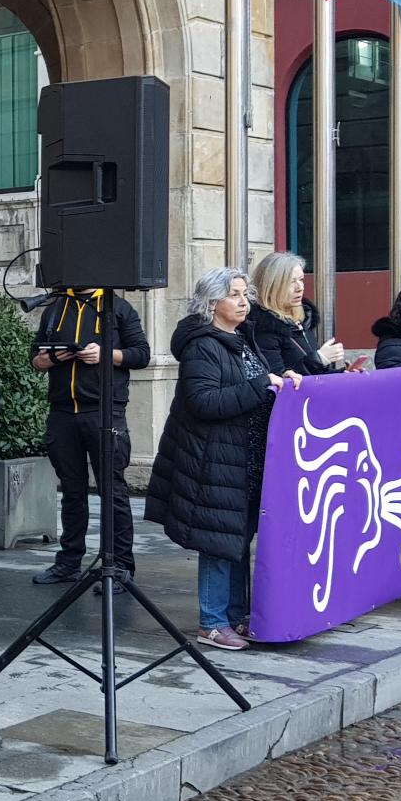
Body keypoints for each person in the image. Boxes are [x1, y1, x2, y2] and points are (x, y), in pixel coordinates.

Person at [145, 268, 297, 651]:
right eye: (234, 294)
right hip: (213, 460)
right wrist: (261, 385)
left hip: (243, 458)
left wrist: (279, 379)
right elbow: (205, 402)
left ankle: (235, 615)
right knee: (218, 542)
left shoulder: (241, 339)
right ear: (212, 303)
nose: (244, 302)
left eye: (246, 294)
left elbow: (254, 383)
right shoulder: (203, 346)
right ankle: (212, 622)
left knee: (238, 539)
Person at [27, 287, 149, 592]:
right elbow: (35, 357)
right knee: (71, 491)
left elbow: (141, 354)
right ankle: (68, 563)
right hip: (62, 412)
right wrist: (50, 359)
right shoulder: (55, 308)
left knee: (113, 492)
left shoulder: (118, 308)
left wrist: (106, 354)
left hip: (104, 412)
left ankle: (120, 567)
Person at [242, 252, 345, 376]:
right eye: (291, 282)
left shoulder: (302, 319)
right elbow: (278, 379)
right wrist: (318, 359)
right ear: (271, 285)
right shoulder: (262, 328)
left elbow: (315, 376)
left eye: (301, 280)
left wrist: (345, 374)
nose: (299, 287)